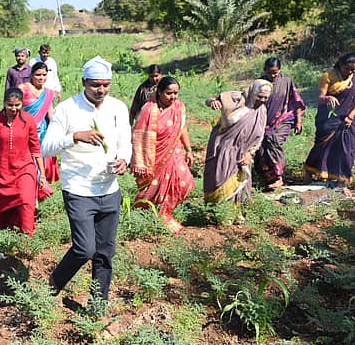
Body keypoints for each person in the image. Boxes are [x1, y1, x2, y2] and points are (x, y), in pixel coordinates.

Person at [42, 57, 132, 303]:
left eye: (105, 85)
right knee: (84, 249)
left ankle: (97, 305)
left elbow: (126, 142)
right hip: (79, 189)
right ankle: (54, 283)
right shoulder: (67, 108)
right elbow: (46, 147)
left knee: (105, 252)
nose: (101, 90)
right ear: (84, 82)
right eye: (95, 85)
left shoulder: (118, 108)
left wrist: (124, 159)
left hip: (109, 188)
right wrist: (75, 137)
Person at [131, 76, 195, 233]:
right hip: (154, 155)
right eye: (169, 93)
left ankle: (165, 211)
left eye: (176, 93)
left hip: (175, 152)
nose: (173, 97)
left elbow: (182, 128)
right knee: (153, 187)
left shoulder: (179, 107)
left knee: (185, 182)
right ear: (159, 92)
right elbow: (139, 135)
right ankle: (153, 214)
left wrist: (189, 149)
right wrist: (139, 160)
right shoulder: (148, 109)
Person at [0, 88, 46, 236]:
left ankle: (27, 239)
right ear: (4, 103)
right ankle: (6, 237)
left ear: (22, 104)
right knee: (3, 209)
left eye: (17, 105)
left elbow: (35, 148)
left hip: (25, 168)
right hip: (2, 171)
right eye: (10, 105)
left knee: (26, 201)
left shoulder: (28, 120)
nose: (13, 108)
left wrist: (41, 174)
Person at [304, 53, 355, 188]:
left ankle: (342, 180)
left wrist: (351, 115)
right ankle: (310, 170)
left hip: (349, 119)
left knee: (347, 149)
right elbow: (320, 97)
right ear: (340, 65)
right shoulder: (328, 76)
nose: (350, 72)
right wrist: (328, 98)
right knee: (322, 147)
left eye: (353, 70)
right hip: (329, 118)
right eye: (346, 69)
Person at [203, 87, 268, 203]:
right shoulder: (237, 98)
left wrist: (250, 154)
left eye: (266, 98)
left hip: (243, 152)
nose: (262, 100)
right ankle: (219, 211)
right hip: (223, 147)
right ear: (253, 92)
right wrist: (213, 102)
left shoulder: (261, 111)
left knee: (240, 182)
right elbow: (209, 100)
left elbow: (260, 136)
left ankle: (237, 213)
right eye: (260, 96)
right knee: (220, 178)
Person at [256, 58, 306, 189]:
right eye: (270, 73)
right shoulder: (259, 83)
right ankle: (268, 178)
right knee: (261, 148)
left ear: (280, 70)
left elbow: (296, 102)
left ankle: (279, 176)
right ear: (264, 70)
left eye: (275, 73)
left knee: (273, 140)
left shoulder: (287, 82)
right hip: (264, 122)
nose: (273, 76)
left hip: (284, 118)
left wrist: (298, 121)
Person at [19, 61, 58, 186]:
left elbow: (50, 114)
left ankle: (39, 184)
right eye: (38, 75)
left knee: (40, 157)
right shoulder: (23, 89)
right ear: (31, 75)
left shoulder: (48, 93)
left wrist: (55, 132)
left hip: (42, 130)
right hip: (25, 128)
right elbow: (15, 110)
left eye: (44, 75)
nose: (41, 78)